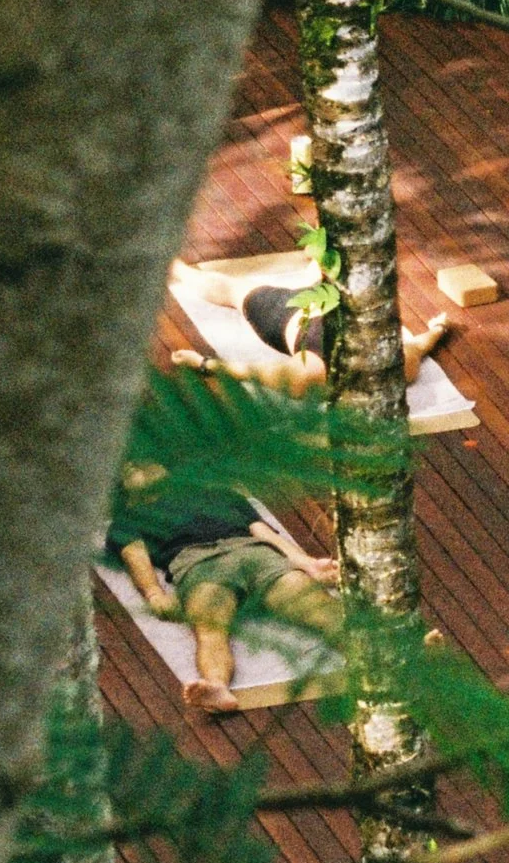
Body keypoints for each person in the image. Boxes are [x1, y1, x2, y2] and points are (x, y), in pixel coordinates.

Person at [106, 459, 345, 716]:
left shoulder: (219, 494)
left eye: (142, 462)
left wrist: (307, 564)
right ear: (124, 492)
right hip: (199, 563)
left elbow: (264, 534)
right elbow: (136, 558)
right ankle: (217, 686)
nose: (135, 467)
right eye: (126, 470)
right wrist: (154, 595)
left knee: (317, 605)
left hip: (254, 553)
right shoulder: (128, 520)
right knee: (209, 628)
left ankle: (375, 656)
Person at [169, 250, 453, 397]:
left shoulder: (311, 373)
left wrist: (202, 364)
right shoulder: (399, 362)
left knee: (235, 291)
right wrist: (438, 330)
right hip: (323, 304)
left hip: (285, 314)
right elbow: (419, 344)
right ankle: (315, 272)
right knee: (320, 277)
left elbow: (251, 371)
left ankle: (177, 269)